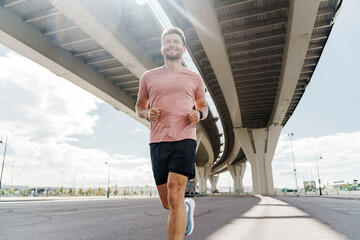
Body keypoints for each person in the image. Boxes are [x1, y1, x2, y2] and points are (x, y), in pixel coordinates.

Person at [135, 27, 208, 239]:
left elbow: (203, 105)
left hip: (184, 138)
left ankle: (181, 208)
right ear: (162, 48)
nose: (172, 45)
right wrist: (147, 112)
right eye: (168, 42)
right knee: (168, 202)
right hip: (158, 141)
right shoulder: (148, 77)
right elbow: (139, 105)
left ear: (183, 49)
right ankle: (186, 207)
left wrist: (199, 115)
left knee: (175, 192)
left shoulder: (194, 77)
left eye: (176, 42)